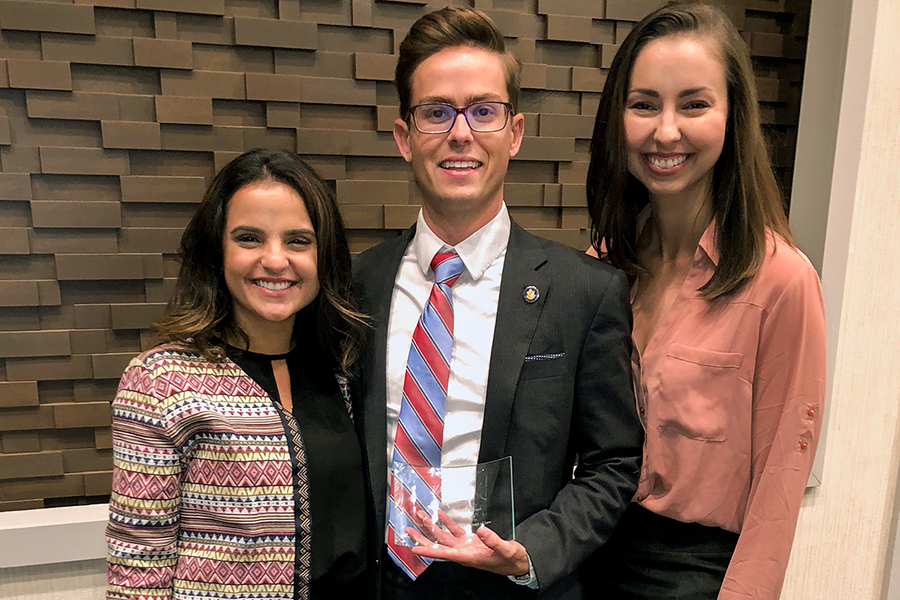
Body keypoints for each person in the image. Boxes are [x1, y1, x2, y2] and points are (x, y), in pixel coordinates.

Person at [351, 7, 644, 600]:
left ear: (514, 132)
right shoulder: (357, 285)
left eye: (483, 111)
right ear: (405, 139)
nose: (461, 132)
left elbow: (614, 462)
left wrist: (534, 550)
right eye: (437, 112)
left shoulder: (584, 291)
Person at [584, 2, 826, 599]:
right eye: (644, 104)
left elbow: (779, 484)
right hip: (587, 560)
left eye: (694, 104)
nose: (666, 131)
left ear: (732, 115)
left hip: (693, 578)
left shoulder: (783, 283)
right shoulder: (599, 268)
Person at [106, 148, 370, 600]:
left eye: (298, 240)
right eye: (249, 238)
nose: (274, 259)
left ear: (324, 256)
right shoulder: (161, 381)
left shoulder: (344, 371)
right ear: (217, 251)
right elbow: (138, 571)